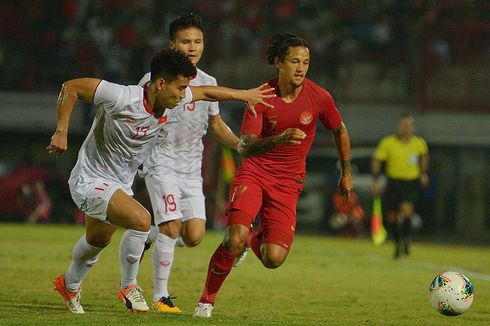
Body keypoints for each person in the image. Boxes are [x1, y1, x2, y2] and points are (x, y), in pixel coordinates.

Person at [47, 48, 275, 314]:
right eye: (179, 89)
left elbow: (207, 93)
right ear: (160, 83)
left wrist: (243, 95)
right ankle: (129, 286)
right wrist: (61, 130)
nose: (183, 96)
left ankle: (69, 284)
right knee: (142, 220)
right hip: (89, 179)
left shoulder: (171, 100)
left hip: (119, 183)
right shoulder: (122, 97)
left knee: (97, 239)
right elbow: (71, 87)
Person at [193, 33, 353, 318]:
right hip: (254, 173)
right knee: (233, 237)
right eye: (295, 61)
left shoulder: (319, 97)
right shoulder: (260, 97)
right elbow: (247, 147)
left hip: (288, 183)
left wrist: (346, 172)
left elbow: (340, 130)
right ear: (279, 63)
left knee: (273, 259)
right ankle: (206, 301)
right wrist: (279, 139)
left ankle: (250, 241)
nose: (301, 68)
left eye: (306, 62)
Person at [127, 13, 241, 313]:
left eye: (197, 41)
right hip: (160, 162)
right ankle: (160, 296)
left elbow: (215, 124)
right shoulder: (153, 81)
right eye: (185, 41)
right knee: (173, 225)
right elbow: (134, 119)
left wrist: (240, 144)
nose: (192, 47)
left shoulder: (208, 83)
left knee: (194, 236)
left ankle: (149, 237)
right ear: (172, 44)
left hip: (191, 170)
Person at [371, 114, 429, 258]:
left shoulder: (419, 143)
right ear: (399, 126)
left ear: (412, 127)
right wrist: (376, 179)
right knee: (393, 216)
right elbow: (377, 159)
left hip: (410, 181)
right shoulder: (388, 142)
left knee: (407, 210)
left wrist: (423, 173)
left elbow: (424, 157)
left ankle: (407, 238)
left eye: (408, 125)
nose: (405, 128)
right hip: (393, 181)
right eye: (403, 125)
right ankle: (398, 244)